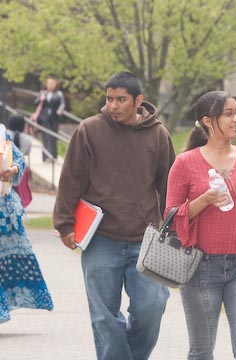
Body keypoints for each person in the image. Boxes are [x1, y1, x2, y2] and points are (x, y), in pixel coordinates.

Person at [53, 72, 176, 360]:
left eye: (121, 99)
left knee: (152, 308)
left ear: (138, 100)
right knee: (104, 319)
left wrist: (174, 229)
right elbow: (71, 180)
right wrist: (65, 224)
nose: (114, 106)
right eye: (109, 99)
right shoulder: (89, 130)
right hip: (100, 239)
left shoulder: (158, 134)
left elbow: (170, 185)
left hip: (144, 241)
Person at [165, 90, 236, 359]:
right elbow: (170, 217)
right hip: (200, 267)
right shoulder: (185, 163)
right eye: (228, 113)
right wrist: (202, 201)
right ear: (207, 120)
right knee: (201, 352)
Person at [0, 124, 53, 323]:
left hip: (5, 212)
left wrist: (12, 169)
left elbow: (19, 159)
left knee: (10, 261)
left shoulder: (1, 133)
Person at [34, 75, 66, 162]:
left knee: (53, 137)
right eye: (49, 83)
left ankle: (53, 156)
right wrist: (41, 99)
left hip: (54, 118)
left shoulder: (59, 94)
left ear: (56, 84)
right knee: (45, 137)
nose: (50, 85)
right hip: (44, 119)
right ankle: (45, 157)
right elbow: (35, 103)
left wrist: (60, 109)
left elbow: (62, 104)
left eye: (52, 83)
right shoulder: (42, 93)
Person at [7, 114, 33, 208]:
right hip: (20, 171)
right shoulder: (27, 139)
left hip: (5, 170)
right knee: (19, 198)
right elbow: (27, 152)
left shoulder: (4, 135)